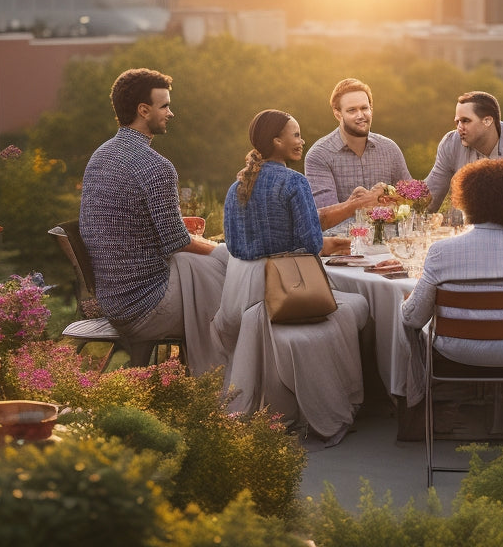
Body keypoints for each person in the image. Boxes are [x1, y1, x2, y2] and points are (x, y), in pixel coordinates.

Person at [215, 109, 368, 442]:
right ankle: (361, 398)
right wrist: (332, 244)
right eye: (296, 135)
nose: (302, 141)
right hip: (284, 289)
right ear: (277, 141)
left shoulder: (235, 187)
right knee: (355, 306)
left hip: (241, 291)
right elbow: (311, 243)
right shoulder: (293, 182)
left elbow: (233, 243)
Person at [79, 68, 229, 376]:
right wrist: (224, 251)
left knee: (203, 268)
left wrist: (177, 225)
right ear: (143, 110)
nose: (171, 113)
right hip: (147, 306)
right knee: (226, 273)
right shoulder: (156, 167)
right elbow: (177, 241)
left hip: (115, 301)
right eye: (164, 106)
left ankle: (213, 378)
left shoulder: (100, 156)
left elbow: (126, 223)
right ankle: (224, 379)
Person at [403, 158, 503, 368]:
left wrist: (406, 302)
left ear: (467, 201)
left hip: (456, 352)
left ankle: (412, 397)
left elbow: (413, 318)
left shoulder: (441, 252)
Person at [304, 78, 411, 230]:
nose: (360, 115)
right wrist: (361, 203)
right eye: (352, 110)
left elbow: (411, 199)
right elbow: (324, 220)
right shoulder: (319, 155)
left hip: (390, 245)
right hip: (343, 249)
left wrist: (389, 198)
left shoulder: (390, 149)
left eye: (364, 108)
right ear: (337, 114)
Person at [425, 91, 503, 212]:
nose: (459, 127)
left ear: (487, 121)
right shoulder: (450, 143)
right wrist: (408, 201)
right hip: (460, 229)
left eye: (465, 121)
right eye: (457, 122)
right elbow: (430, 196)